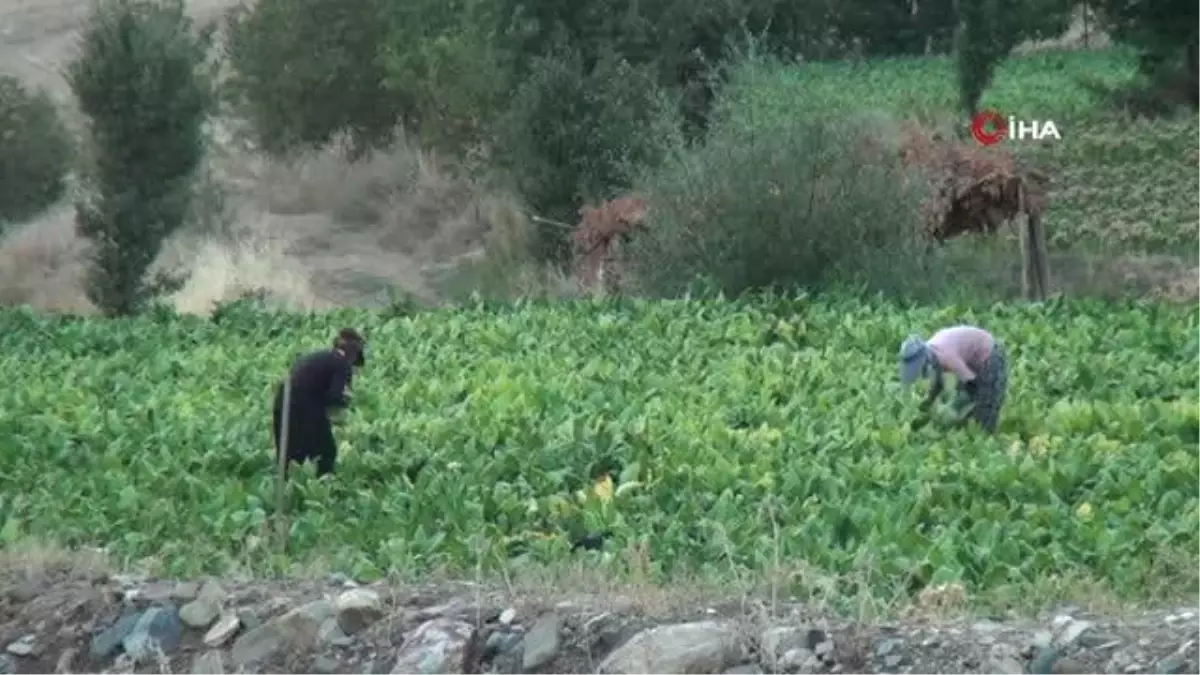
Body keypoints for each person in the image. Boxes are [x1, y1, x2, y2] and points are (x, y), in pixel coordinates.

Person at [272, 328, 367, 477]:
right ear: (353, 355)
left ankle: (286, 488)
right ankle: (325, 485)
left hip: (282, 401)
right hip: (304, 406)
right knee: (326, 452)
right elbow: (334, 396)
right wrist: (345, 400)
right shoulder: (342, 364)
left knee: (289, 452)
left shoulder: (320, 356)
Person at [898, 325, 1007, 433]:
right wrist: (927, 405)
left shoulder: (946, 356)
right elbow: (937, 384)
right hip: (969, 355)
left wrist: (960, 408)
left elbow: (972, 383)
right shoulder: (932, 353)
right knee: (966, 410)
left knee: (986, 403)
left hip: (990, 352)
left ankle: (985, 436)